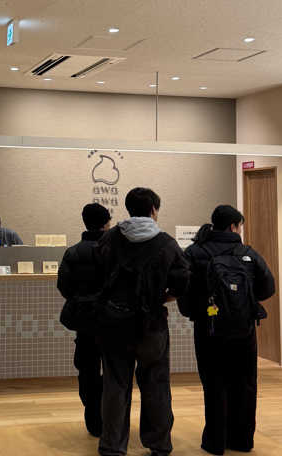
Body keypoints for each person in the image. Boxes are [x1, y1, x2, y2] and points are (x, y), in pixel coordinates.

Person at [93, 188, 190, 456]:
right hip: (152, 325)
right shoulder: (166, 243)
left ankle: (112, 446)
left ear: (128, 208)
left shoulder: (109, 239)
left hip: (114, 323)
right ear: (154, 210)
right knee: (156, 384)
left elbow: (97, 276)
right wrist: (162, 297)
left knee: (115, 385)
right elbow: (183, 281)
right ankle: (159, 444)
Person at [177, 205, 275, 455]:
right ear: (233, 226)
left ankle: (215, 442)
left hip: (208, 328)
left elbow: (183, 290)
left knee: (214, 384)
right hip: (244, 329)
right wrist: (243, 303)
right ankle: (242, 440)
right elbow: (268, 287)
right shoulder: (247, 253)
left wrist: (197, 312)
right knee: (244, 383)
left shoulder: (195, 252)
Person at [58, 203, 112, 437]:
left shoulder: (73, 252)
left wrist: (81, 300)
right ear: (106, 223)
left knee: (87, 368)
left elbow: (64, 286)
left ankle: (93, 417)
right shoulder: (115, 251)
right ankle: (111, 418)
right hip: (111, 319)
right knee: (113, 369)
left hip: (84, 320)